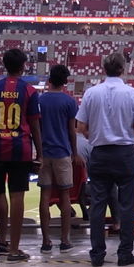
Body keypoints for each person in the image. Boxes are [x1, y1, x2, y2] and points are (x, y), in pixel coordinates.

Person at [76, 52, 134, 267]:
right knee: (126, 205)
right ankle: (125, 253)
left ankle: (97, 253)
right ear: (123, 69)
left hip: (100, 152)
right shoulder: (131, 93)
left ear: (103, 68)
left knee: (98, 204)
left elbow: (80, 127)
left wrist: (96, 132)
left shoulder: (91, 93)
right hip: (124, 153)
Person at [0, 48, 42, 262]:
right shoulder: (30, 91)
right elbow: (34, 125)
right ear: (23, 65)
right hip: (19, 149)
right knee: (17, 198)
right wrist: (39, 152)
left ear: (4, 65)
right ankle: (14, 249)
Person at [38, 64, 79, 252]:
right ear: (65, 81)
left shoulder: (40, 100)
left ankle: (46, 241)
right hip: (62, 153)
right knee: (65, 197)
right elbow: (72, 130)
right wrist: (75, 152)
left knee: (44, 197)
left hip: (44, 153)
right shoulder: (69, 102)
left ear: (49, 80)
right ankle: (64, 240)